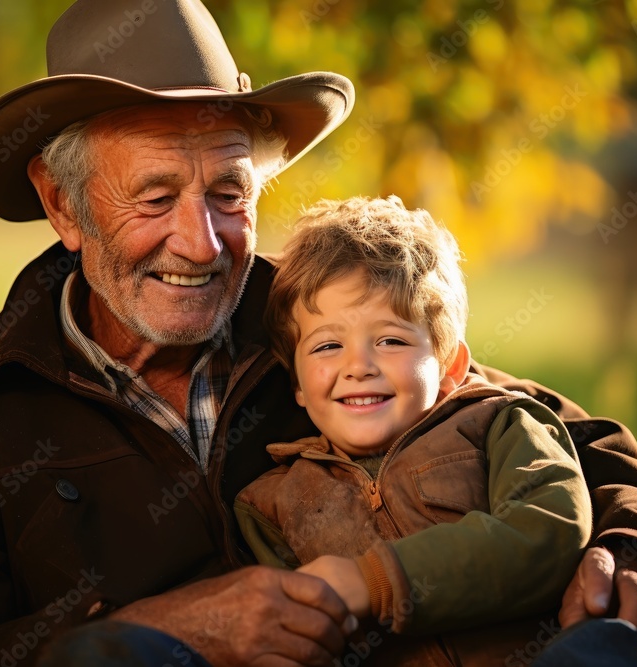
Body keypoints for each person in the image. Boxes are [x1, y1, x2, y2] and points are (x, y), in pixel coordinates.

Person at [0, 0, 637, 665]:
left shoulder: (322, 315)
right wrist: (146, 631)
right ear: (62, 205)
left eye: (228, 192)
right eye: (154, 196)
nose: (202, 242)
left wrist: (631, 557)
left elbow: (574, 439)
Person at [233, 195, 592, 664]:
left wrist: (376, 581)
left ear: (450, 365)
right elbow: (287, 628)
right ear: (297, 383)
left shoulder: (496, 424)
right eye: (327, 346)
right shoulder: (270, 504)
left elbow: (551, 528)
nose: (358, 366)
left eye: (390, 340)